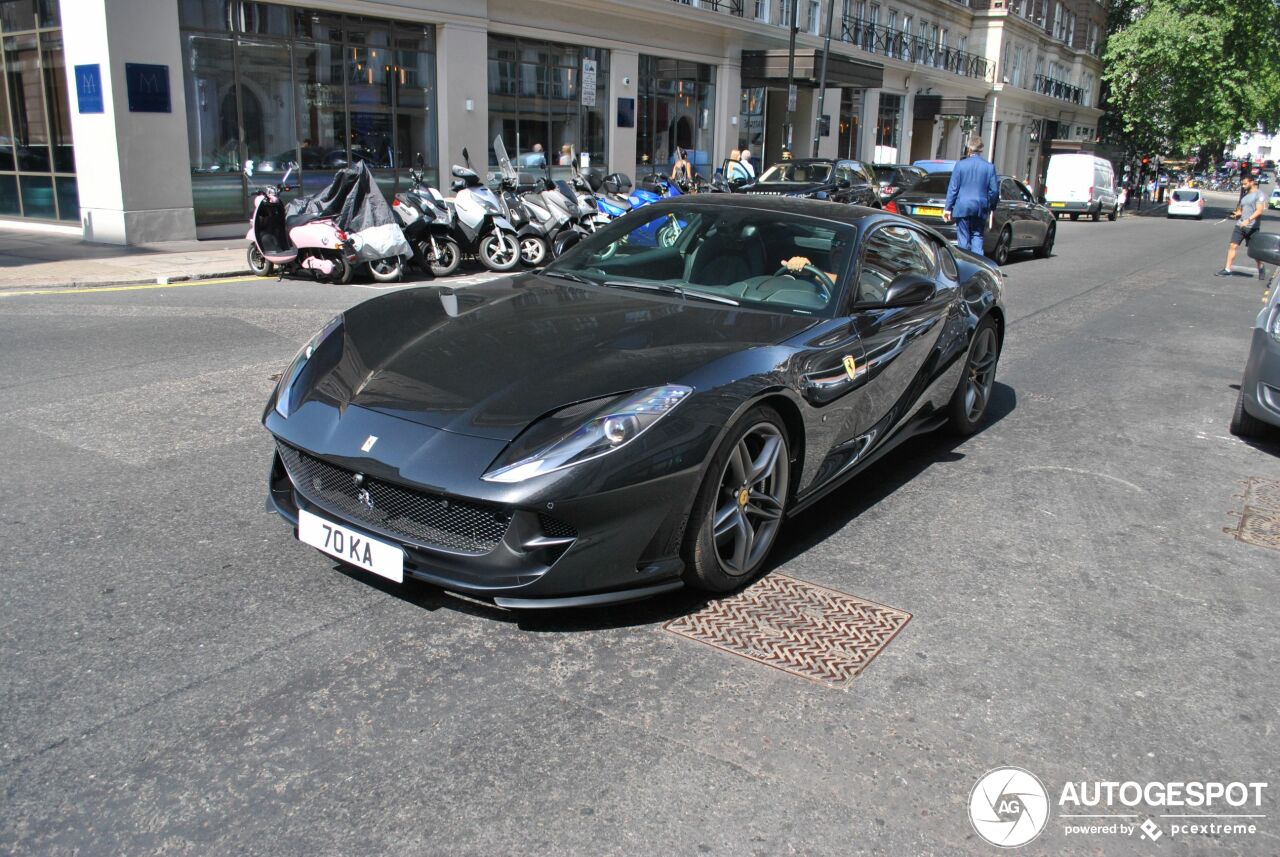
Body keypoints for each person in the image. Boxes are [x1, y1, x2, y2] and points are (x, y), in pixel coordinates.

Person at [942, 136, 999, 259]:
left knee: (963, 237)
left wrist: (947, 208)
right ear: (981, 149)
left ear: (969, 149)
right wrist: (992, 206)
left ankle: (963, 262)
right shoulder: (989, 167)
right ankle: (977, 264)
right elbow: (994, 191)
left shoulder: (960, 165)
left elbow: (953, 188)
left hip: (962, 205)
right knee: (977, 235)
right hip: (980, 206)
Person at [1216, 174, 1268, 279]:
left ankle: (1261, 266)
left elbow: (1259, 210)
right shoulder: (1245, 195)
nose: (1243, 186)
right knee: (1233, 246)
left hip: (1252, 227)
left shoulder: (1259, 195)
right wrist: (1237, 214)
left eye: (1245, 184)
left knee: (1254, 252)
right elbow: (1241, 209)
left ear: (1252, 182)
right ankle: (1227, 269)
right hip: (1240, 225)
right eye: (1242, 184)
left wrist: (1248, 220)